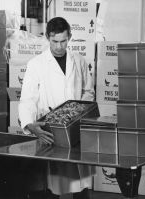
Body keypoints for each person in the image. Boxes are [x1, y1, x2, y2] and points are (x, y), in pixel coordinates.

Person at [18, 17, 95, 199]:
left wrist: (78, 113)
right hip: (50, 130)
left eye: (63, 41)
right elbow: (28, 98)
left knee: (79, 183)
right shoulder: (36, 64)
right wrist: (30, 125)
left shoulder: (80, 61)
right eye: (55, 41)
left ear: (70, 37)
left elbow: (88, 91)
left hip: (76, 128)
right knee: (51, 183)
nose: (59, 46)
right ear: (47, 38)